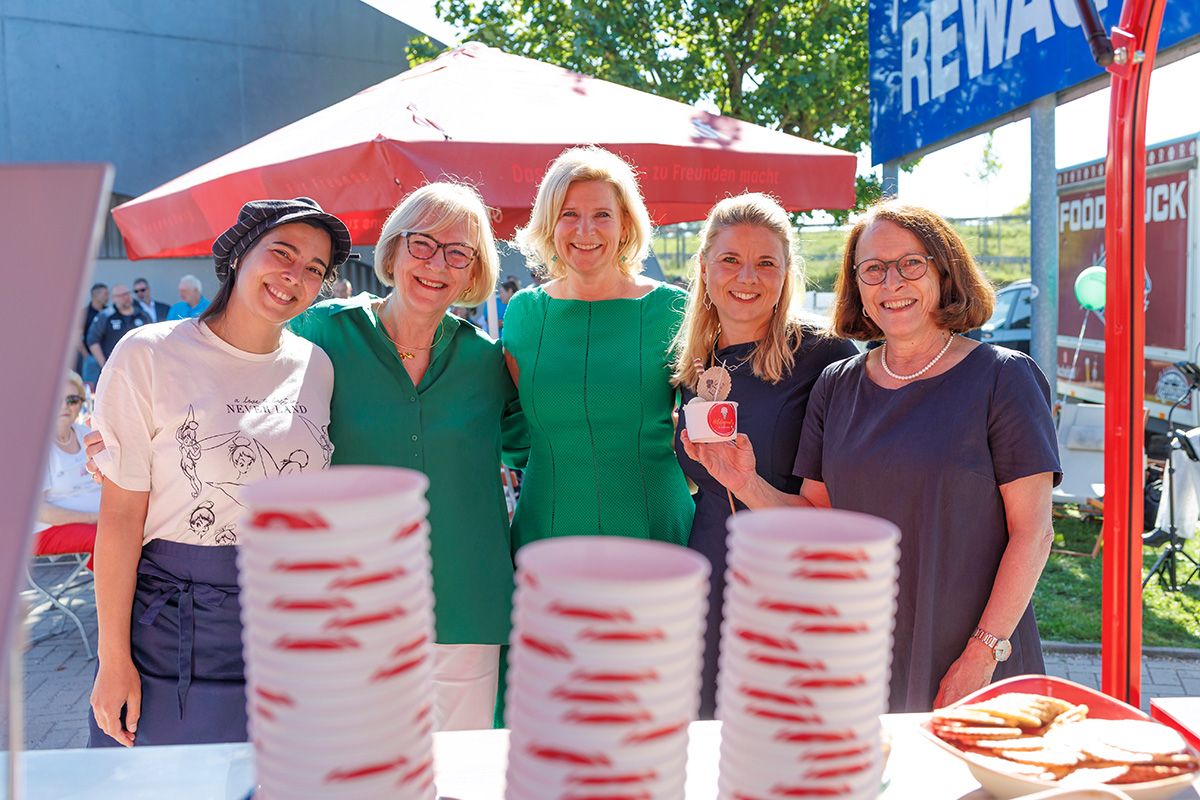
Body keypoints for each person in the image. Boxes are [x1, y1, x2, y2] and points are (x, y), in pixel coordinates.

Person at [682, 200, 1060, 712]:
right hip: (858, 646)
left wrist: (982, 653)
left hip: (968, 654)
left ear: (944, 272)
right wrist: (746, 481)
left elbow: (1033, 533)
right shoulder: (838, 386)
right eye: (873, 269)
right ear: (857, 285)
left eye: (910, 264)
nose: (892, 282)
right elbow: (818, 520)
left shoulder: (1003, 377)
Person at [87, 197, 348, 748]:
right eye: (282, 253)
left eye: (315, 269)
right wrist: (113, 662)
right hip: (172, 630)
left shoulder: (316, 366)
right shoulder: (149, 354)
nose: (294, 276)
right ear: (236, 257)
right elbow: (118, 521)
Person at [289, 182, 526, 731]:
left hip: (465, 602)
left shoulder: (488, 362)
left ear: (473, 272)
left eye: (457, 252)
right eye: (422, 244)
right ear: (393, 250)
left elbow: (539, 445)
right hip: (347, 607)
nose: (436, 263)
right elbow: (243, 399)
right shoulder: (321, 333)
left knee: (462, 777)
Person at [671, 193, 857, 719]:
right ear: (705, 267)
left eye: (765, 263)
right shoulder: (695, 366)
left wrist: (751, 485)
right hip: (709, 579)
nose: (745, 277)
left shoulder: (828, 358)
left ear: (787, 274)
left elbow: (840, 513)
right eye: (730, 260)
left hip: (791, 585)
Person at [505, 145, 693, 551]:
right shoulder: (522, 315)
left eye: (602, 215)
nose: (584, 231)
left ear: (626, 224)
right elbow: (513, 429)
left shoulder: (672, 310)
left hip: (655, 527)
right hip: (548, 530)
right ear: (549, 225)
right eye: (568, 214)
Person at [34, 371, 101, 566]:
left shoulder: (85, 434)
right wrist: (94, 518)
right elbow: (38, 511)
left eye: (72, 399)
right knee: (113, 538)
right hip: (47, 528)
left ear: (80, 403)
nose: (64, 406)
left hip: (97, 521)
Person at [86, 284, 151, 372]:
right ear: (114, 298)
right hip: (114, 368)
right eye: (121, 295)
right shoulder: (105, 316)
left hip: (138, 367)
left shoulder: (142, 315)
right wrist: (104, 365)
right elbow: (93, 340)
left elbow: (151, 340)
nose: (126, 297)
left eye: (127, 294)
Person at [79, 283, 109, 386]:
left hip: (107, 358)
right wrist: (86, 356)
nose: (108, 297)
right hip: (91, 359)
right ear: (96, 295)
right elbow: (77, 336)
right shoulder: (84, 313)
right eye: (105, 294)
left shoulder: (109, 312)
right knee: (90, 388)